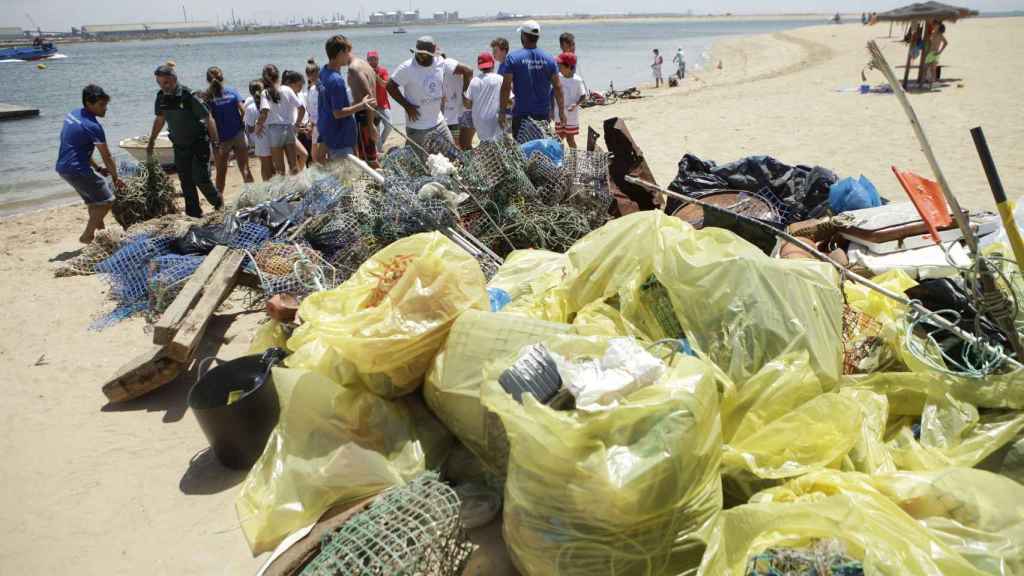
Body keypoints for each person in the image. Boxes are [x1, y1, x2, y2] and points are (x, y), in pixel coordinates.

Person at [147, 62, 223, 218]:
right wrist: (151, 141)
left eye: (166, 82)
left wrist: (215, 144)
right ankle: (194, 213)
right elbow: (160, 119)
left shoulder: (189, 96)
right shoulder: (161, 98)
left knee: (201, 178)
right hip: (179, 146)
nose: (164, 86)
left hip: (197, 144)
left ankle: (218, 204)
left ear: (174, 79)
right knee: (186, 181)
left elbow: (209, 119)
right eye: (160, 83)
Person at [56, 84, 124, 243]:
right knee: (108, 200)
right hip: (77, 169)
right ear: (88, 103)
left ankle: (102, 234)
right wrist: (116, 178)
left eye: (106, 104)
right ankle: (87, 235)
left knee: (94, 202)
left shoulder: (73, 114)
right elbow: (107, 156)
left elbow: (77, 148)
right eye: (101, 105)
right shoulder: (93, 126)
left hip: (63, 168)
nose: (105, 108)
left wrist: (98, 168)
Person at [388, 36, 470, 154]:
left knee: (453, 155)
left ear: (433, 54)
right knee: (423, 162)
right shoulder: (407, 68)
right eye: (418, 53)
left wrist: (463, 94)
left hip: (439, 122)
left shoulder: (441, 63)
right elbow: (390, 86)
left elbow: (468, 70)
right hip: (417, 126)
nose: (420, 57)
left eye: (424, 54)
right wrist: (407, 106)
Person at [499, 21, 565, 139]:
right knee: (540, 147)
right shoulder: (549, 59)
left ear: (524, 36)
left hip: (521, 114)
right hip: (543, 114)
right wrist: (561, 112)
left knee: (522, 151)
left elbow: (505, 88)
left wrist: (502, 112)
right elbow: (558, 87)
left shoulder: (513, 58)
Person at [318, 35, 375, 161]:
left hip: (328, 130)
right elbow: (338, 113)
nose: (349, 55)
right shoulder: (336, 80)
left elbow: (327, 102)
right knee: (346, 177)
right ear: (340, 53)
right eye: (347, 52)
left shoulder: (323, 71)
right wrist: (362, 105)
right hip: (340, 137)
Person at [204, 66, 253, 193]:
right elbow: (243, 111)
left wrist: (214, 139)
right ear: (222, 78)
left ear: (208, 81)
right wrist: (240, 125)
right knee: (245, 168)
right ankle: (253, 196)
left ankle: (219, 203)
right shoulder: (232, 91)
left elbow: (209, 120)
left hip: (220, 139)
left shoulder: (208, 97)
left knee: (221, 172)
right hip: (238, 134)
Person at [254, 64, 305, 176]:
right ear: (278, 76)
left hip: (275, 131)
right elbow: (301, 108)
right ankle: (298, 190)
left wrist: (258, 125)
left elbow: (264, 112)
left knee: (280, 169)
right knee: (294, 166)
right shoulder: (287, 89)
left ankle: (284, 193)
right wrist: (297, 124)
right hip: (289, 128)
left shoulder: (265, 92)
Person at [346, 50, 381, 167]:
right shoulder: (364, 64)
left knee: (368, 159)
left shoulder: (353, 68)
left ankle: (384, 183)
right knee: (371, 155)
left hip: (365, 116)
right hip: (373, 113)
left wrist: (370, 125)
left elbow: (369, 96)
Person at [464, 52, 504, 144]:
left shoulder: (474, 81)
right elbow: (510, 101)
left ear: (479, 67)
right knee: (498, 145)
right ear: (493, 64)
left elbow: (468, 105)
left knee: (486, 143)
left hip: (479, 124)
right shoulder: (500, 79)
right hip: (495, 122)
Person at [440, 52, 473, 149]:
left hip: (455, 117)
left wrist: (465, 94)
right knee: (450, 149)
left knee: (459, 148)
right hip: (444, 117)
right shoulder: (432, 70)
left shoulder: (447, 63)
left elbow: (469, 70)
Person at [243, 80, 273, 181]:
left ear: (250, 92)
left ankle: (268, 190)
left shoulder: (250, 108)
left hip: (260, 139)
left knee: (265, 167)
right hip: (273, 136)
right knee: (274, 166)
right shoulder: (270, 103)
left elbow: (250, 128)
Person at [553, 53, 584, 149]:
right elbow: (552, 93)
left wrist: (576, 104)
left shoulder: (577, 80)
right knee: (558, 138)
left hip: (571, 116)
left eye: (560, 65)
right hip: (558, 113)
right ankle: (559, 158)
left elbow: (583, 95)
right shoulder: (557, 77)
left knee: (570, 139)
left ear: (568, 66)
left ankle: (574, 160)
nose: (558, 67)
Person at [282, 69, 310, 171]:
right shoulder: (286, 94)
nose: (300, 89)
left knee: (297, 159)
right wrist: (297, 126)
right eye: (299, 85)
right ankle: (296, 178)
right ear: (290, 84)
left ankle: (296, 177)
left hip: (292, 131)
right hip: (287, 133)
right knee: (302, 155)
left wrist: (300, 126)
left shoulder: (294, 95)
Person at [366, 51, 392, 152]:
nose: (372, 61)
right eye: (370, 59)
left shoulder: (383, 71)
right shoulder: (365, 72)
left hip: (384, 105)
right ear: (367, 61)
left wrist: (375, 75)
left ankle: (380, 143)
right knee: (376, 130)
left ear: (378, 60)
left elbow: (385, 84)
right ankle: (379, 151)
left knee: (389, 125)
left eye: (374, 59)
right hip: (372, 107)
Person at [302, 60, 321, 165]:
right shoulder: (311, 90)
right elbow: (310, 111)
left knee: (317, 155)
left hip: (321, 125)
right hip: (315, 125)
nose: (312, 76)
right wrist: (310, 125)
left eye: (313, 73)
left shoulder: (319, 88)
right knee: (314, 156)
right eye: (309, 74)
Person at [558, 32, 587, 96]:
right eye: (568, 46)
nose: (572, 48)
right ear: (561, 47)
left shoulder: (573, 58)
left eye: (573, 44)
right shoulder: (558, 62)